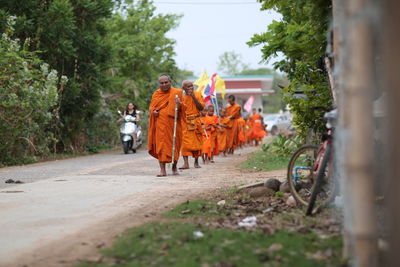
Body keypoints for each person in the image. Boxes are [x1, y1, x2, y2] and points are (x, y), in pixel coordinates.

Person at [148, 75, 183, 177]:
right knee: (161, 146)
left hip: (174, 125)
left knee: (174, 146)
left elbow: (184, 109)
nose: (164, 85)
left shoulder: (177, 93)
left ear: (170, 82)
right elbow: (152, 108)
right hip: (160, 124)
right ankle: (162, 170)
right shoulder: (156, 94)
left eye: (166, 82)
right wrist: (153, 112)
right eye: (161, 83)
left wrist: (179, 103)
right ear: (159, 84)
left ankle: (174, 167)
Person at [179, 80, 204, 169]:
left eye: (191, 86)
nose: (190, 88)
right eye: (188, 87)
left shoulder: (197, 94)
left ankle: (196, 162)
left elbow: (201, 108)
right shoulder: (181, 97)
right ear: (183, 88)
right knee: (185, 143)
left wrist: (193, 96)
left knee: (197, 142)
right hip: (185, 122)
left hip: (196, 121)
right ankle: (186, 163)